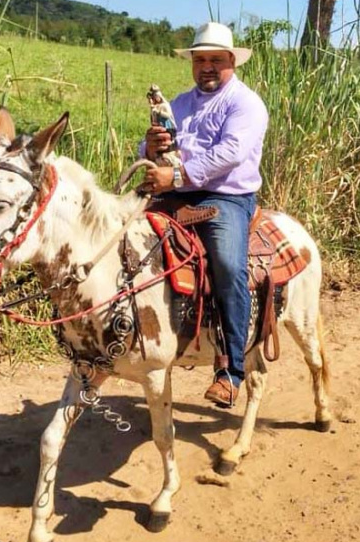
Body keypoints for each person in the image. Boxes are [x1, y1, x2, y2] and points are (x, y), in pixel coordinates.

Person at [139, 21, 269, 407]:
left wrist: (176, 173)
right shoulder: (178, 104)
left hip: (226, 198)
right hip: (175, 192)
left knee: (228, 266)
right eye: (201, 60)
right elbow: (152, 153)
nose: (207, 66)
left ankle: (230, 369)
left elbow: (230, 153)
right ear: (192, 63)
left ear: (232, 61)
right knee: (125, 239)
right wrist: (149, 147)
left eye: (216, 59)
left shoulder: (246, 103)